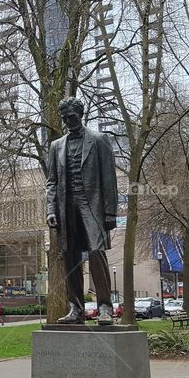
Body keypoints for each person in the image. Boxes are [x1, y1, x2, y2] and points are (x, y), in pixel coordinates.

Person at [45, 97, 119, 324]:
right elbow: (51, 182)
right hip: (67, 207)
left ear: (81, 114)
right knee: (70, 256)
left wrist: (110, 212)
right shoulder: (56, 146)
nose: (68, 121)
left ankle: (105, 308)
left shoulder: (99, 140)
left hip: (92, 205)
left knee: (96, 251)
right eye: (65, 118)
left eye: (72, 116)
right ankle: (76, 309)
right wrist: (51, 210)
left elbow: (109, 179)